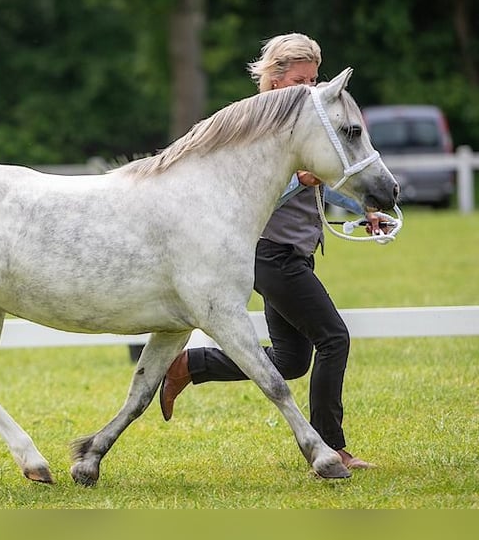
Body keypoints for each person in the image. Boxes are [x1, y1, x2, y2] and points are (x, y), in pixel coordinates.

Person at [159, 32, 389, 470]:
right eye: (302, 79)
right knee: (334, 338)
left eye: (315, 78)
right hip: (269, 252)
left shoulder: (301, 122)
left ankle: (189, 364)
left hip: (293, 252)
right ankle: (331, 447)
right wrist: (296, 182)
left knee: (291, 359)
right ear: (276, 79)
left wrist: (365, 206)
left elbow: (327, 177)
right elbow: (245, 196)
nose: (311, 87)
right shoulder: (252, 128)